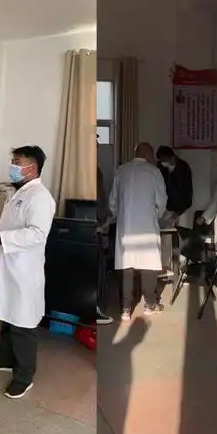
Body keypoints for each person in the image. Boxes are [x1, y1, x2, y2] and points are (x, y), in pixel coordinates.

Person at [0, 146, 56, 399]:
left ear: (32, 168)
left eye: (17, 162)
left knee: (22, 323)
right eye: (12, 161)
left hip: (24, 270)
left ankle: (24, 376)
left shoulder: (40, 197)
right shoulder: (17, 193)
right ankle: (5, 358)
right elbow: (11, 225)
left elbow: (37, 233)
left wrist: (3, 238)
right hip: (8, 265)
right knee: (6, 314)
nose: (12, 166)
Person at [109, 142, 167, 320]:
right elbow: (162, 201)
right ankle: (150, 304)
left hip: (126, 226)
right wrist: (155, 216)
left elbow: (113, 201)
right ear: (148, 154)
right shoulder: (154, 172)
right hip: (147, 225)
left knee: (126, 265)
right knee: (148, 264)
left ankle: (125, 309)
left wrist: (120, 215)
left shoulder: (121, 171)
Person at [96, 137, 114, 325]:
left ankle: (99, 307)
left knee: (100, 268)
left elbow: (102, 196)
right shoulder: (92, 171)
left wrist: (107, 214)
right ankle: (96, 309)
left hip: (100, 224)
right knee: (97, 270)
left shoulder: (97, 170)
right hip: (95, 226)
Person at [156, 145, 193, 228]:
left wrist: (179, 212)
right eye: (161, 161)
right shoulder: (159, 168)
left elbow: (187, 192)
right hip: (164, 209)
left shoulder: (183, 168)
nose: (163, 163)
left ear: (172, 157)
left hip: (181, 209)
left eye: (164, 160)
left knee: (180, 231)